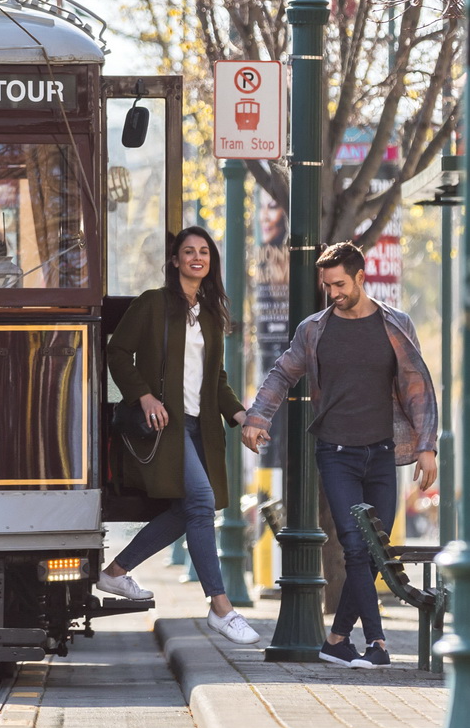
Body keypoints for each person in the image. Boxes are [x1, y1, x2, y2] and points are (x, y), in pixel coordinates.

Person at [241, 242, 439, 669]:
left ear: (361, 277)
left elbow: (417, 388)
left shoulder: (395, 325)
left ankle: (335, 640)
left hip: (383, 453)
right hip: (335, 452)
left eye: (340, 284)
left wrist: (427, 446)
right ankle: (378, 644)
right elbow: (282, 372)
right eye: (327, 285)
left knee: (375, 550)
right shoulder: (314, 330)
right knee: (354, 544)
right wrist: (258, 416)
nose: (333, 292)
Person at [97, 226, 261, 646]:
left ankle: (115, 573)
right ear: (174, 261)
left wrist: (244, 417)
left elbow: (217, 380)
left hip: (199, 428)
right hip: (163, 430)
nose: (197, 257)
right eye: (188, 251)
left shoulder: (211, 314)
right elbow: (116, 351)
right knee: (202, 503)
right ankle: (221, 607)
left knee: (188, 510)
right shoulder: (153, 303)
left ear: (211, 262)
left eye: (204, 251)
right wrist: (145, 396)